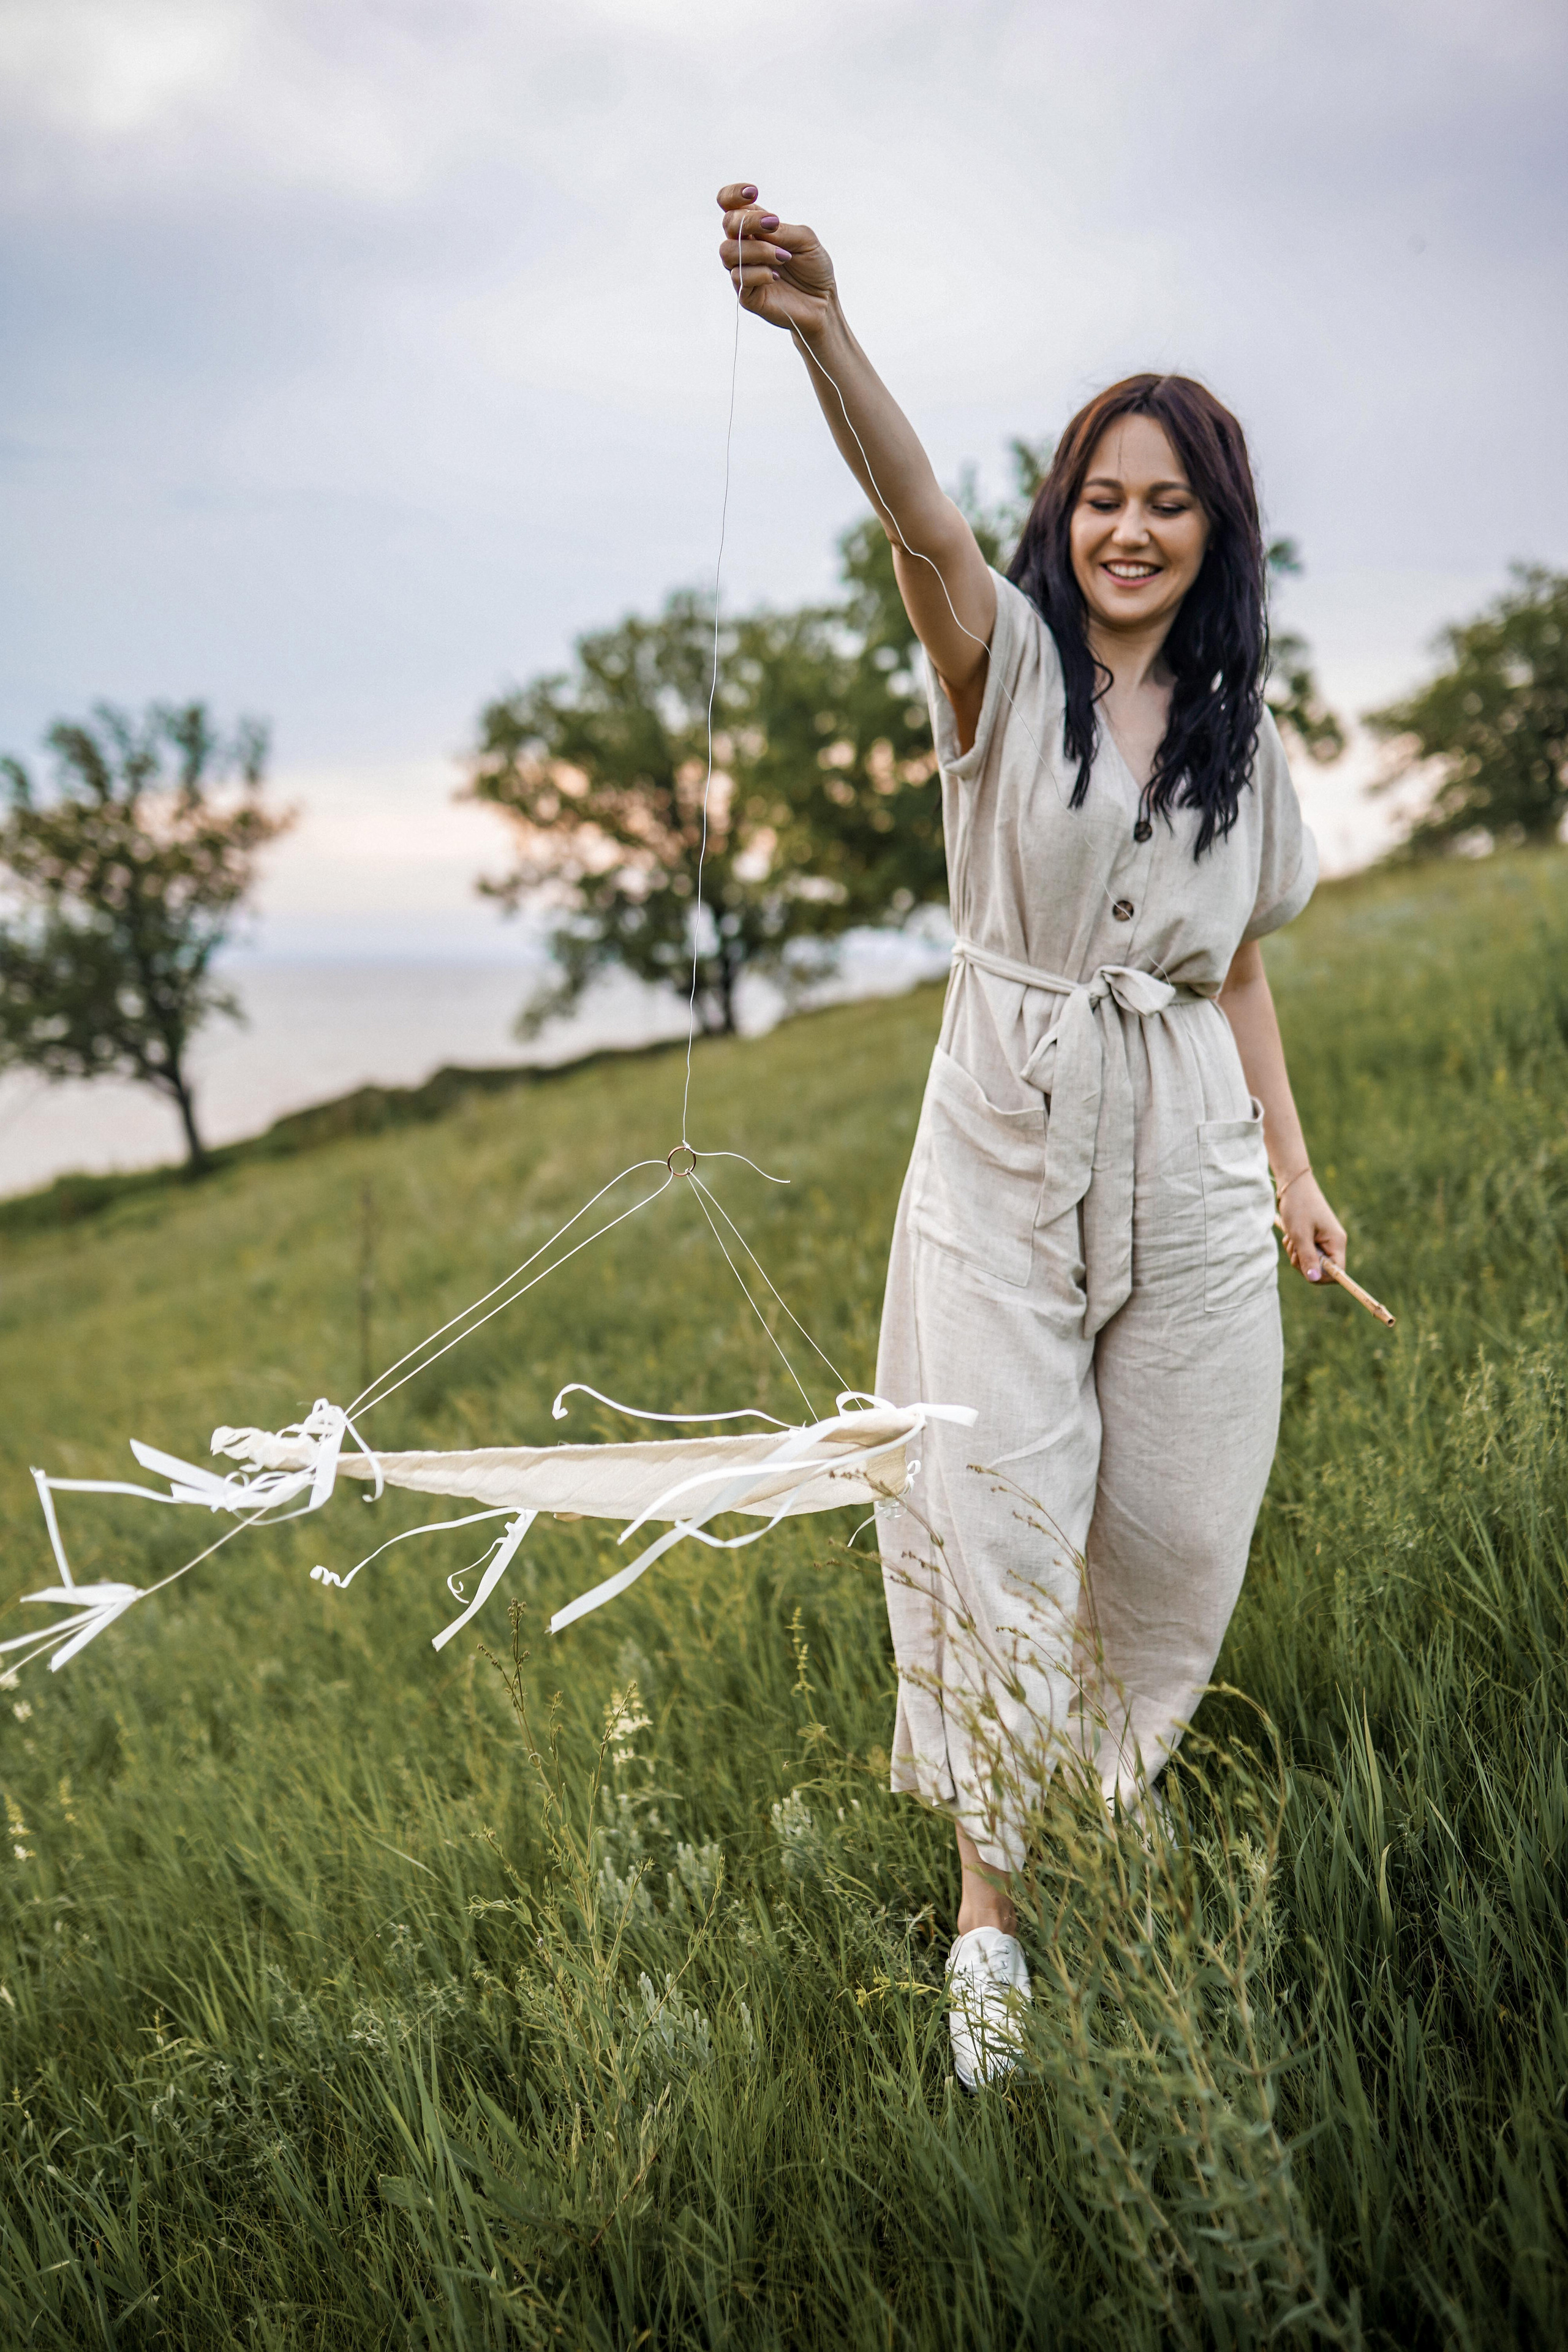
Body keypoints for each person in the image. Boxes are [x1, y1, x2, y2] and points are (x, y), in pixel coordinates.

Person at [716, 185, 1346, 2090]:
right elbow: (917, 516)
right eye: (1101, 498)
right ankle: (992, 1905)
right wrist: (826, 331)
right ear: (1062, 518)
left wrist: (1295, 1172)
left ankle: (1096, 1796)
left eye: (1168, 503)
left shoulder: (1244, 733)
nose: (1129, 529)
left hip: (1194, 1142)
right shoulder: (1001, 665)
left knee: (1177, 1523)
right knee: (995, 1517)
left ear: (1217, 531)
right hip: (1008, 1124)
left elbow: (1240, 968)